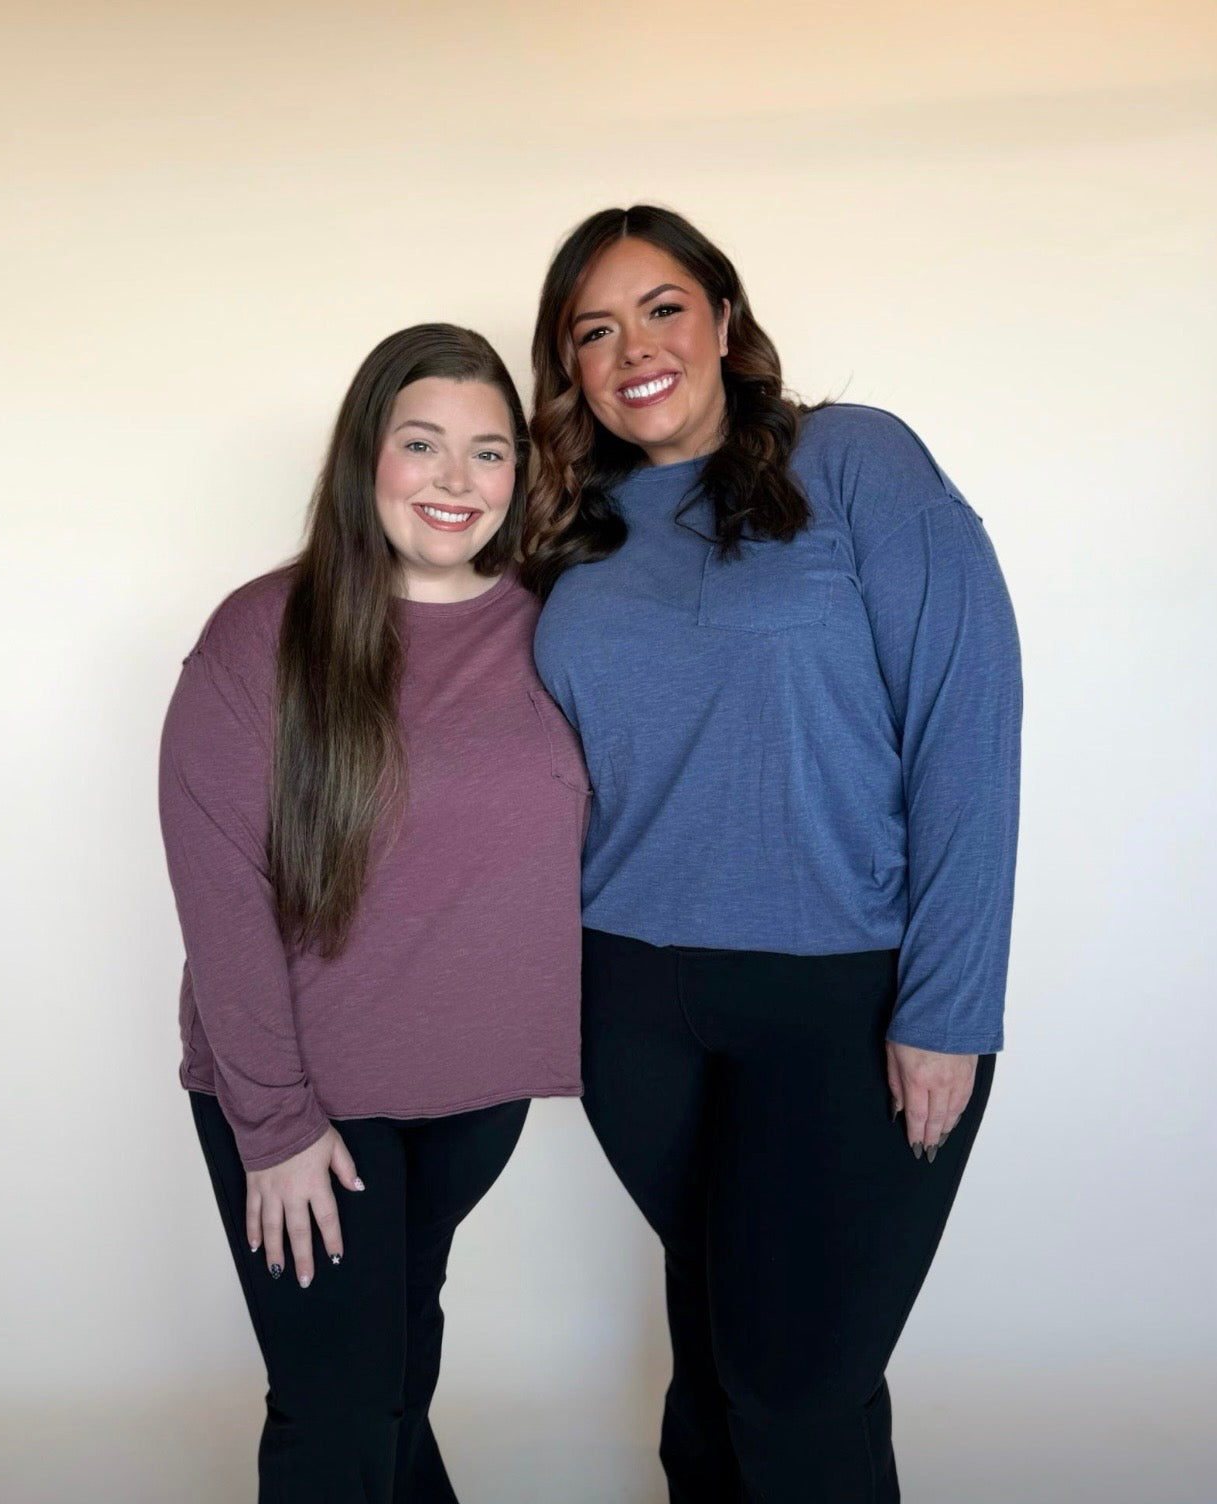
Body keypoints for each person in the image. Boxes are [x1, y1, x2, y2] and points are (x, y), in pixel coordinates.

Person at [524, 206, 1022, 1503]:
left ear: (725, 321)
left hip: (838, 1004)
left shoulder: (852, 459)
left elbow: (964, 725)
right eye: (593, 331)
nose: (634, 347)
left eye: (662, 308)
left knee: (795, 1388)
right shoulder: (571, 530)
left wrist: (948, 1007)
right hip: (628, 1005)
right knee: (716, 1372)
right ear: (569, 370)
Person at [158, 323, 587, 1504]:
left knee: (391, 1384)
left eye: (488, 451)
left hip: (472, 1096)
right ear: (365, 455)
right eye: (422, 443)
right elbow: (219, 895)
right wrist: (275, 1125)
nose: (457, 479)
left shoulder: (556, 624)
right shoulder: (263, 631)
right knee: (338, 1411)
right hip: (305, 1103)